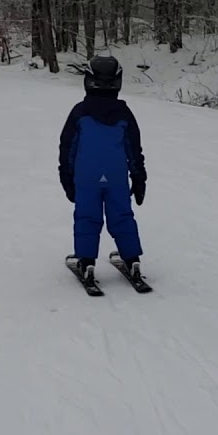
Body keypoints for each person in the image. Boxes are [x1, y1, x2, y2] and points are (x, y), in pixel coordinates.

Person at [58, 55, 146, 281]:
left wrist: (66, 178)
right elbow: (133, 149)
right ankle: (132, 259)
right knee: (122, 216)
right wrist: (138, 178)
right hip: (116, 177)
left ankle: (86, 262)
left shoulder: (79, 113)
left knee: (87, 217)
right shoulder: (124, 114)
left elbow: (68, 148)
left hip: (87, 178)